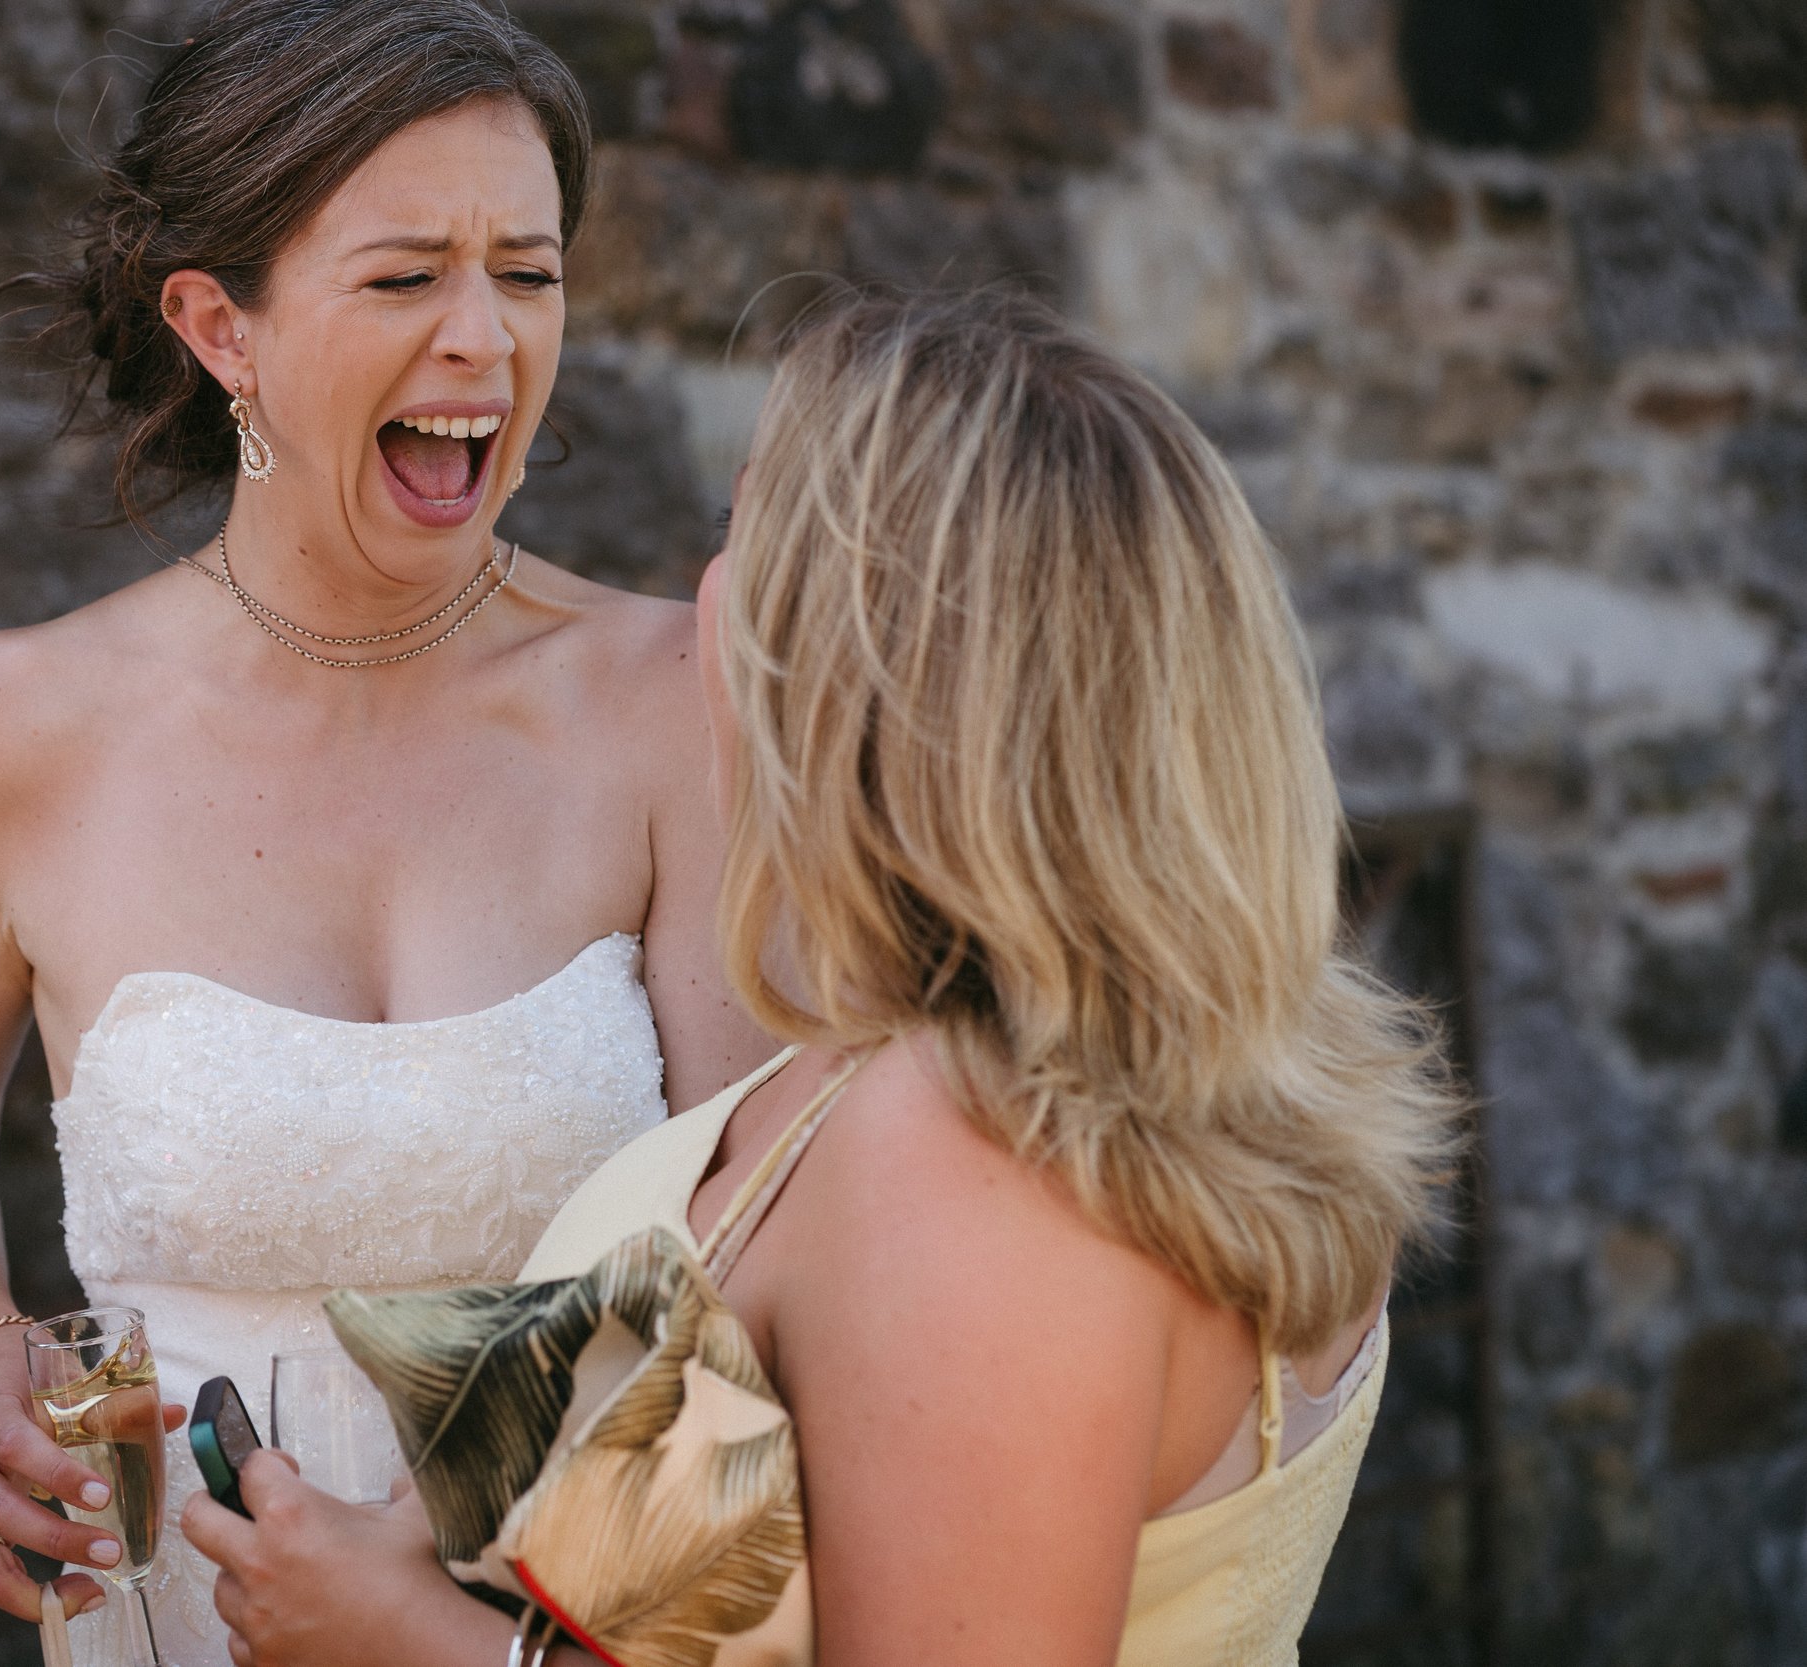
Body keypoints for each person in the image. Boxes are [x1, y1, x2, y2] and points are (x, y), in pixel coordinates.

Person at [181, 289, 1462, 1666]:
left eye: (745, 533)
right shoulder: (1040, 1054)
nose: (703, 595)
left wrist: (407, 1642)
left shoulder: (981, 1161)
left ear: (861, 668)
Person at [0, 4, 772, 1662]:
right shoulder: (1, 733)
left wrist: (447, 1605)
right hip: (167, 1617)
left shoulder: (679, 700)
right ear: (221, 327)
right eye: (406, 277)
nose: (485, 339)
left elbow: (764, 1230)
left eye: (528, 274)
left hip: (587, 1609)